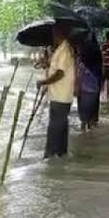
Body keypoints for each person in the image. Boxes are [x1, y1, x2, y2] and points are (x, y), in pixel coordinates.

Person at [37, 24, 76, 159]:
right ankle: (60, 153)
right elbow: (56, 68)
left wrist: (44, 82)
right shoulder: (61, 50)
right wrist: (47, 64)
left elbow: (60, 73)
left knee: (54, 126)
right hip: (58, 94)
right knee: (61, 125)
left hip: (61, 95)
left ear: (59, 34)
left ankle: (50, 155)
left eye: (54, 34)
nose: (52, 37)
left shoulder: (64, 50)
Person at [76, 33, 103, 131]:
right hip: (94, 88)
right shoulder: (98, 55)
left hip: (84, 90)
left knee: (83, 119)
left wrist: (76, 88)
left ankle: (85, 134)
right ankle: (91, 132)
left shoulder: (82, 59)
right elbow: (101, 71)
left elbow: (79, 75)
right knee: (92, 115)